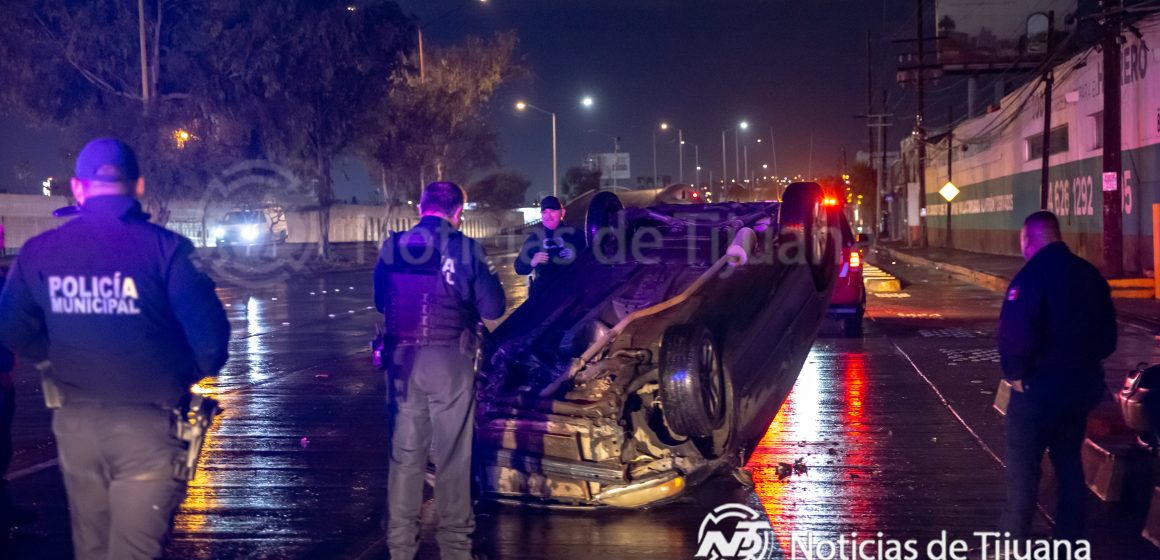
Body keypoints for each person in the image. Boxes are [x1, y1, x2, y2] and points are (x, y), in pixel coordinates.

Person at [0, 138, 231, 560]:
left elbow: (10, 328)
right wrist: (172, 373)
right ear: (138, 185)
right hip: (149, 422)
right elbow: (211, 343)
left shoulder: (38, 252)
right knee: (134, 550)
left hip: (76, 426)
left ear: (77, 188)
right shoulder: (167, 250)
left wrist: (61, 355)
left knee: (92, 546)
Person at [374, 181, 504, 560]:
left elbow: (381, 301)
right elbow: (494, 307)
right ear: (457, 212)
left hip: (402, 362)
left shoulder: (392, 247)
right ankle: (455, 549)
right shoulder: (466, 248)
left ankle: (401, 550)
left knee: (405, 459)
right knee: (453, 458)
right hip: (449, 360)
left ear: (420, 208)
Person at [998, 210, 1117, 542]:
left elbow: (1016, 334)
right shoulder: (1089, 275)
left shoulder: (1030, 278)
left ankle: (1013, 540)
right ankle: (1068, 541)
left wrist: (1015, 373)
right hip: (1079, 390)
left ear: (1029, 238)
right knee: (1069, 466)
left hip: (1037, 391)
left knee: (1023, 468)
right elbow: (1108, 339)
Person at [514, 196, 580, 299]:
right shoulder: (534, 239)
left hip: (573, 296)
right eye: (544, 212)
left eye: (552, 211)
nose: (548, 216)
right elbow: (519, 268)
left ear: (562, 212)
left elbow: (595, 262)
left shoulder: (576, 235)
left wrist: (578, 257)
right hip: (543, 298)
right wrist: (532, 261)